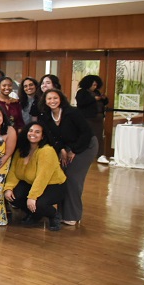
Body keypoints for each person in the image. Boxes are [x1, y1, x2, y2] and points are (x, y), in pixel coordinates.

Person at [39, 89, 95, 226]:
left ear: (61, 99)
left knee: (73, 179)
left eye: (55, 98)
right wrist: (62, 149)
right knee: (63, 178)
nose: (52, 101)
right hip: (67, 148)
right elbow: (52, 137)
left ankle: (73, 216)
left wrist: (74, 150)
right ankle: (62, 214)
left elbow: (86, 133)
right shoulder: (46, 116)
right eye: (49, 99)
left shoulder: (72, 112)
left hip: (85, 146)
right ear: (45, 101)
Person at [4, 122, 66, 231]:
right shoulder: (21, 149)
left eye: (37, 132)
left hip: (53, 185)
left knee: (38, 204)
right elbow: (13, 171)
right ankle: (35, 214)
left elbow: (42, 177)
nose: (33, 134)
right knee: (13, 196)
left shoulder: (47, 151)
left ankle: (53, 215)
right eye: (31, 131)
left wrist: (32, 196)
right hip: (31, 182)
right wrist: (8, 187)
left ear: (42, 136)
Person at [75, 75, 108, 162]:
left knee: (99, 137)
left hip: (98, 118)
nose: (95, 87)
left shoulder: (97, 92)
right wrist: (93, 99)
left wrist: (104, 99)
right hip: (87, 118)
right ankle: (84, 153)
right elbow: (81, 103)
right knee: (87, 136)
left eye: (96, 85)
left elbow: (104, 102)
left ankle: (100, 154)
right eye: (93, 85)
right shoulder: (81, 92)